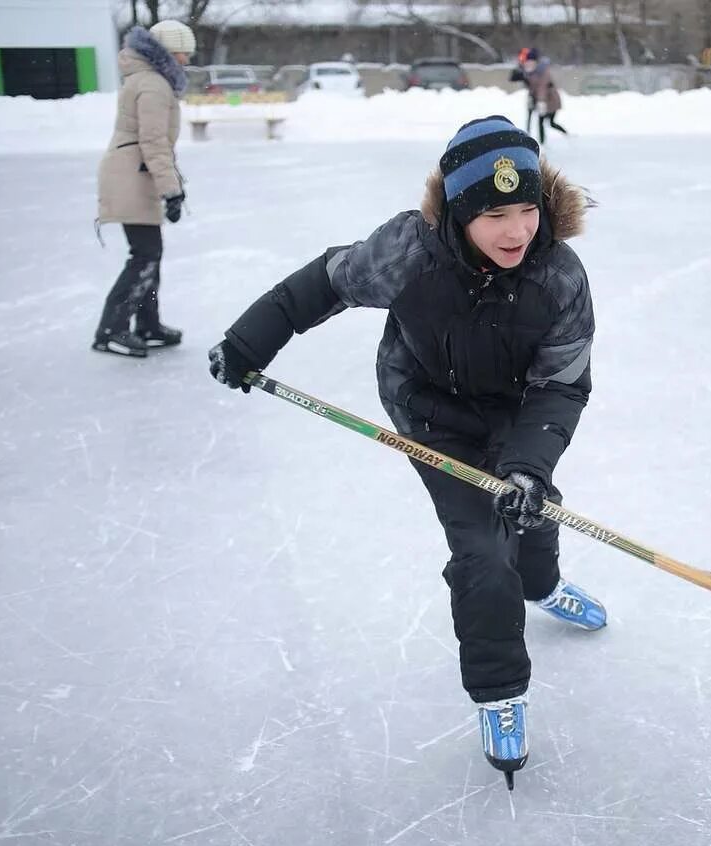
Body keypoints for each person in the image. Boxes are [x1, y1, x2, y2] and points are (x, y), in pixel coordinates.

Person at [207, 116, 606, 787]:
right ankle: (500, 693)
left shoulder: (559, 277)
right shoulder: (408, 253)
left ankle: (542, 582)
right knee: (481, 549)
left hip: (515, 412)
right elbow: (324, 281)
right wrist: (248, 344)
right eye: (493, 214)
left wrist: (528, 464)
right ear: (457, 210)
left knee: (532, 504)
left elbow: (562, 385)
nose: (515, 231)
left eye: (526, 210)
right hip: (431, 412)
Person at [93, 20, 193, 357]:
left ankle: (147, 323)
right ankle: (112, 329)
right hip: (132, 177)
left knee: (150, 254)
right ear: (167, 53)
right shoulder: (153, 85)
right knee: (145, 255)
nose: (186, 61)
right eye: (182, 53)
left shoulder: (150, 80)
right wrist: (172, 190)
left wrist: (171, 186)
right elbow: (153, 143)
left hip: (136, 175)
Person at [521, 49, 568, 145]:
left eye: (530, 62)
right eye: (527, 62)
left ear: (535, 62)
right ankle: (541, 141)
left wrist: (541, 102)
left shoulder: (542, 71)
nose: (528, 64)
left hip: (550, 101)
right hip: (540, 100)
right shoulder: (530, 72)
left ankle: (565, 134)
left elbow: (542, 88)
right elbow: (531, 87)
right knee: (541, 121)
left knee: (550, 122)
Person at [509, 47, 535, 133]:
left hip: (536, 92)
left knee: (541, 116)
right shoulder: (523, 67)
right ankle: (528, 131)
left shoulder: (531, 66)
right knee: (531, 113)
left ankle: (529, 132)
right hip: (532, 93)